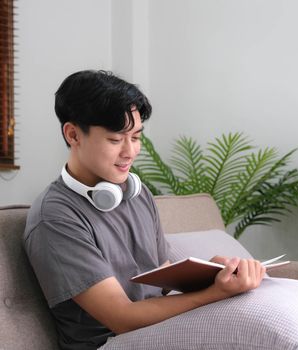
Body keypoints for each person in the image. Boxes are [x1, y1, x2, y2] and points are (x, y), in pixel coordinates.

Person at [23, 70, 266, 350]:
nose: (130, 152)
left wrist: (210, 275)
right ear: (73, 134)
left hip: (160, 330)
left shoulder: (136, 193)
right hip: (111, 343)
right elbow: (122, 318)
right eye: (116, 140)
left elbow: (161, 278)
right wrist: (213, 294)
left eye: (136, 137)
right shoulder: (55, 217)